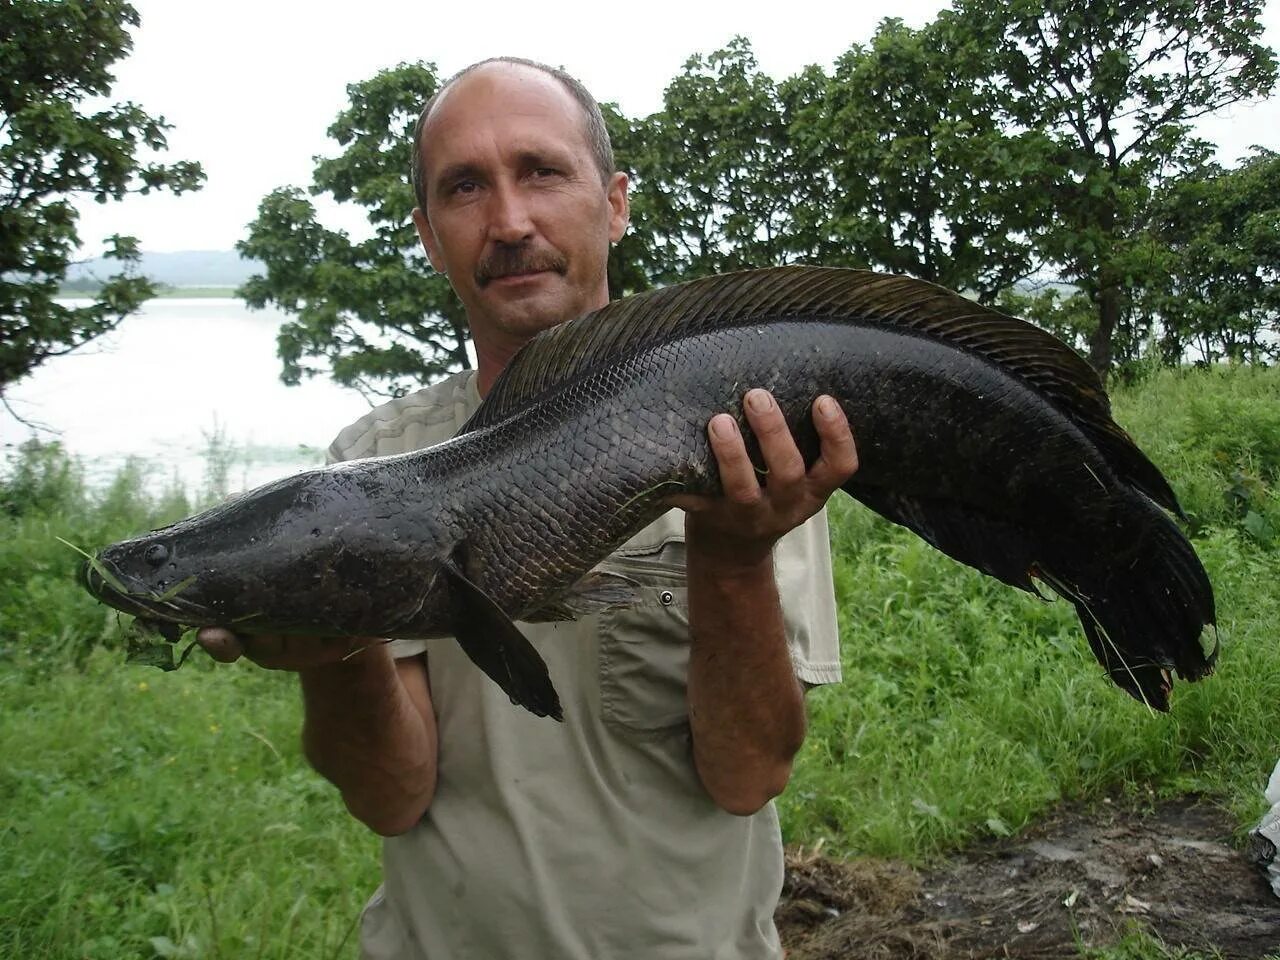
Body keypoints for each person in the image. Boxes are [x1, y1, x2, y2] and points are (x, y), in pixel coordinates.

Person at [199, 56, 858, 959]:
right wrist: (337, 649)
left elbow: (748, 777)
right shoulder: (369, 464)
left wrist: (734, 557)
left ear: (616, 202)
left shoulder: (743, 440)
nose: (509, 222)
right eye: (465, 187)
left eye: (541, 172)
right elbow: (392, 797)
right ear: (430, 236)